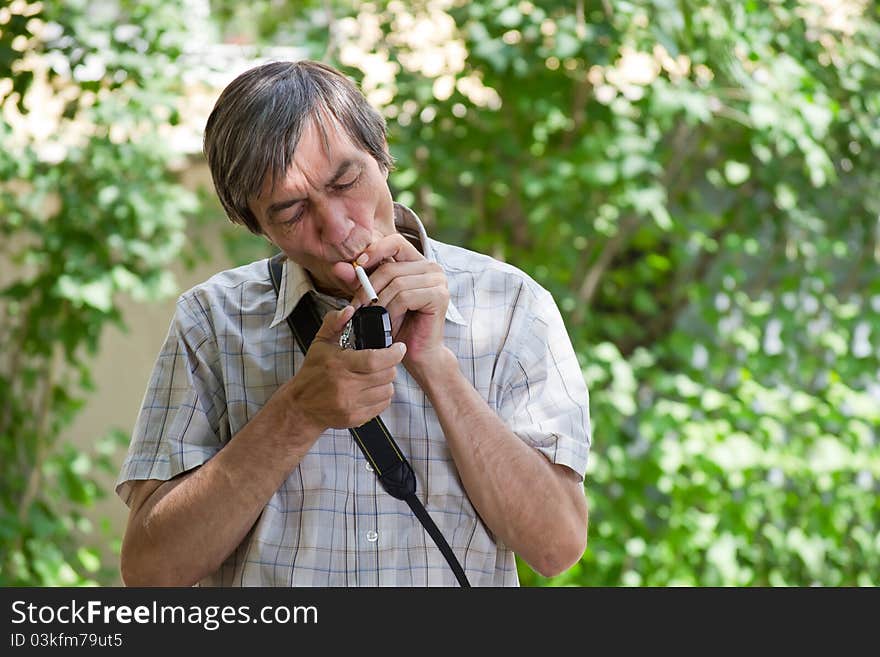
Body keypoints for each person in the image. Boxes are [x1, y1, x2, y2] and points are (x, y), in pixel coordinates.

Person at [116, 60, 591, 587]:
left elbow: (557, 547)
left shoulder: (509, 304)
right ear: (255, 225)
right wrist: (298, 411)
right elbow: (149, 570)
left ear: (382, 157)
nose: (338, 226)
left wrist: (436, 366)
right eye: (293, 212)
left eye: (346, 181)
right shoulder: (212, 321)